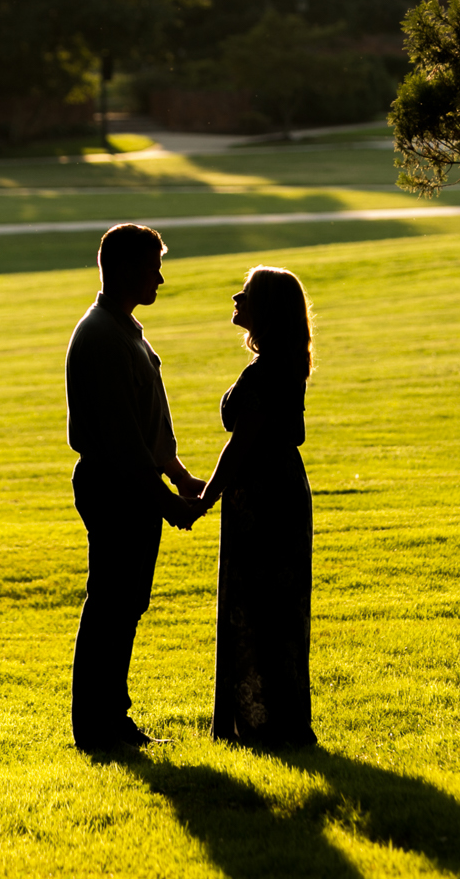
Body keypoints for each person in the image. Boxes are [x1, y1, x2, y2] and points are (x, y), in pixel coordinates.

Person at [65, 223, 205, 751]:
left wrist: (179, 475)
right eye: (153, 268)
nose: (161, 279)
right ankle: (99, 727)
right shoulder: (102, 335)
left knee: (125, 604)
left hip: (131, 485)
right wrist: (168, 502)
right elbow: (123, 443)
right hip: (114, 488)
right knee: (112, 605)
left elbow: (150, 425)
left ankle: (110, 719)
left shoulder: (124, 328)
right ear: (124, 269)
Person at [192, 265, 318, 748]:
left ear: (265, 309)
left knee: (254, 605)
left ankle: (260, 723)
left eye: (245, 293)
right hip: (283, 488)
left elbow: (240, 446)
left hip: (262, 496)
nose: (235, 297)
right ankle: (277, 717)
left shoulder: (264, 373)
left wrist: (205, 498)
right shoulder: (285, 364)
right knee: (279, 606)